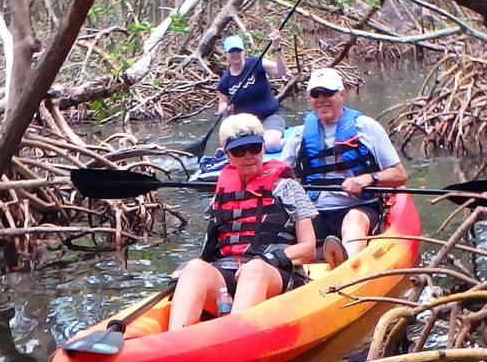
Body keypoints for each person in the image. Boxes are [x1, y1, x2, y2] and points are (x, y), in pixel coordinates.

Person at [169, 114, 317, 330]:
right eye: (239, 151)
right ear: (227, 154)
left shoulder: (287, 188)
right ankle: (176, 341)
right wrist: (185, 271)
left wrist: (269, 259)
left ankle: (233, 336)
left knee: (253, 269)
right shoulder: (222, 194)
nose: (248, 156)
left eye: (254, 148)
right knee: (194, 269)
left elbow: (309, 249)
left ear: (263, 147)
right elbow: (209, 250)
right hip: (225, 275)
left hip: (273, 274)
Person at [280, 67, 408, 264]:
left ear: (341, 94)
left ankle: (345, 268)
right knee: (289, 227)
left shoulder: (366, 128)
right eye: (315, 94)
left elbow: (399, 175)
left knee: (354, 219)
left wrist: (368, 178)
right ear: (310, 99)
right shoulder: (299, 135)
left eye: (328, 93)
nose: (321, 99)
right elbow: (279, 175)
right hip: (314, 211)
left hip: (358, 206)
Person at [217, 30, 288, 152]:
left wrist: (276, 47)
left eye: (238, 50)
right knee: (236, 150)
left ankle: (287, 143)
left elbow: (281, 71)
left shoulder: (257, 63)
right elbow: (223, 104)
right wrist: (224, 109)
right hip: (246, 125)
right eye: (231, 51)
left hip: (269, 117)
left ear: (244, 51)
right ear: (226, 54)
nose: (235, 54)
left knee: (269, 145)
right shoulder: (225, 81)